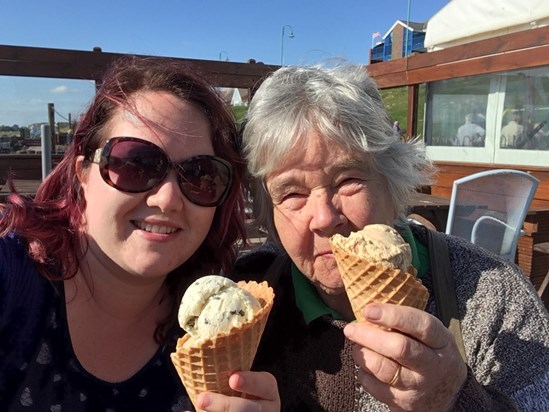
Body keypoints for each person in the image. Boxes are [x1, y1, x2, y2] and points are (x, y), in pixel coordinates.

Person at [234, 64, 549, 411]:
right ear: (270, 212)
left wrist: (453, 397)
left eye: (347, 180)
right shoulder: (243, 304)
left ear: (392, 180)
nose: (324, 218)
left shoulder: (494, 296)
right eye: (292, 193)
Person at [0, 56, 279, 411]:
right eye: (135, 163)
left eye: (200, 174)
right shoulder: (11, 279)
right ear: (82, 174)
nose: (167, 199)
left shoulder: (220, 326)